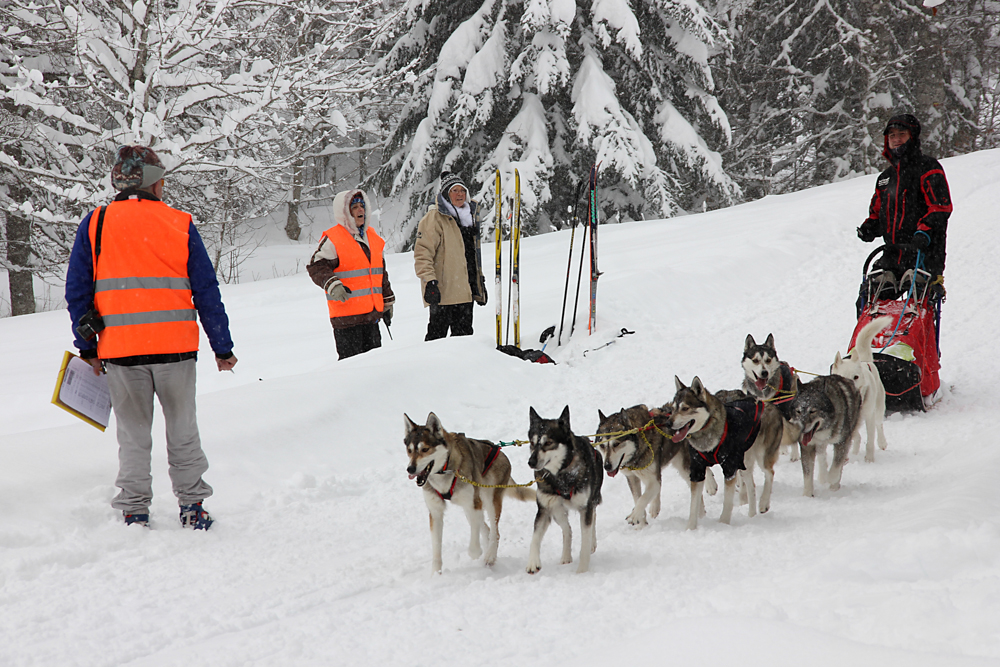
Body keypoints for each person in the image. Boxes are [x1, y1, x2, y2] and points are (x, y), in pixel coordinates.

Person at [65, 145, 237, 530]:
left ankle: (135, 509)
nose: (164, 187)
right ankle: (193, 505)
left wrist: (88, 348)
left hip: (121, 351)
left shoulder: (96, 223)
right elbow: (206, 290)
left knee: (133, 436)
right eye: (161, 180)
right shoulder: (179, 222)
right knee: (183, 430)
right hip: (175, 349)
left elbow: (77, 291)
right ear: (150, 183)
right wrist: (222, 346)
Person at [857, 113, 953, 309]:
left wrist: (924, 230)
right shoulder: (885, 178)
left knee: (916, 313)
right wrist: (870, 227)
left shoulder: (928, 168)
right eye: (892, 135)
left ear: (912, 136)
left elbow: (940, 207)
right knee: (869, 302)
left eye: (902, 134)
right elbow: (877, 213)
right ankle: (872, 339)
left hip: (923, 254)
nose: (896, 139)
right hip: (892, 255)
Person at [307, 189, 394, 359]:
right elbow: (316, 267)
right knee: (352, 373)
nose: (360, 210)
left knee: (375, 368)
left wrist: (387, 301)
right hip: (347, 321)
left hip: (372, 318)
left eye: (362, 206)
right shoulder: (334, 238)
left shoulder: (373, 237)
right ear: (344, 211)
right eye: (354, 207)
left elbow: (380, 273)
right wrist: (333, 285)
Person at [413, 172, 488, 340]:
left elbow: (470, 258)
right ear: (446, 194)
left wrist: (478, 283)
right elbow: (422, 253)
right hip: (442, 294)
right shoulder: (434, 218)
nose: (460, 194)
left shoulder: (469, 219)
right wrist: (429, 282)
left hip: (464, 294)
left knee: (465, 344)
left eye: (463, 190)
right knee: (436, 343)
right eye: (455, 190)